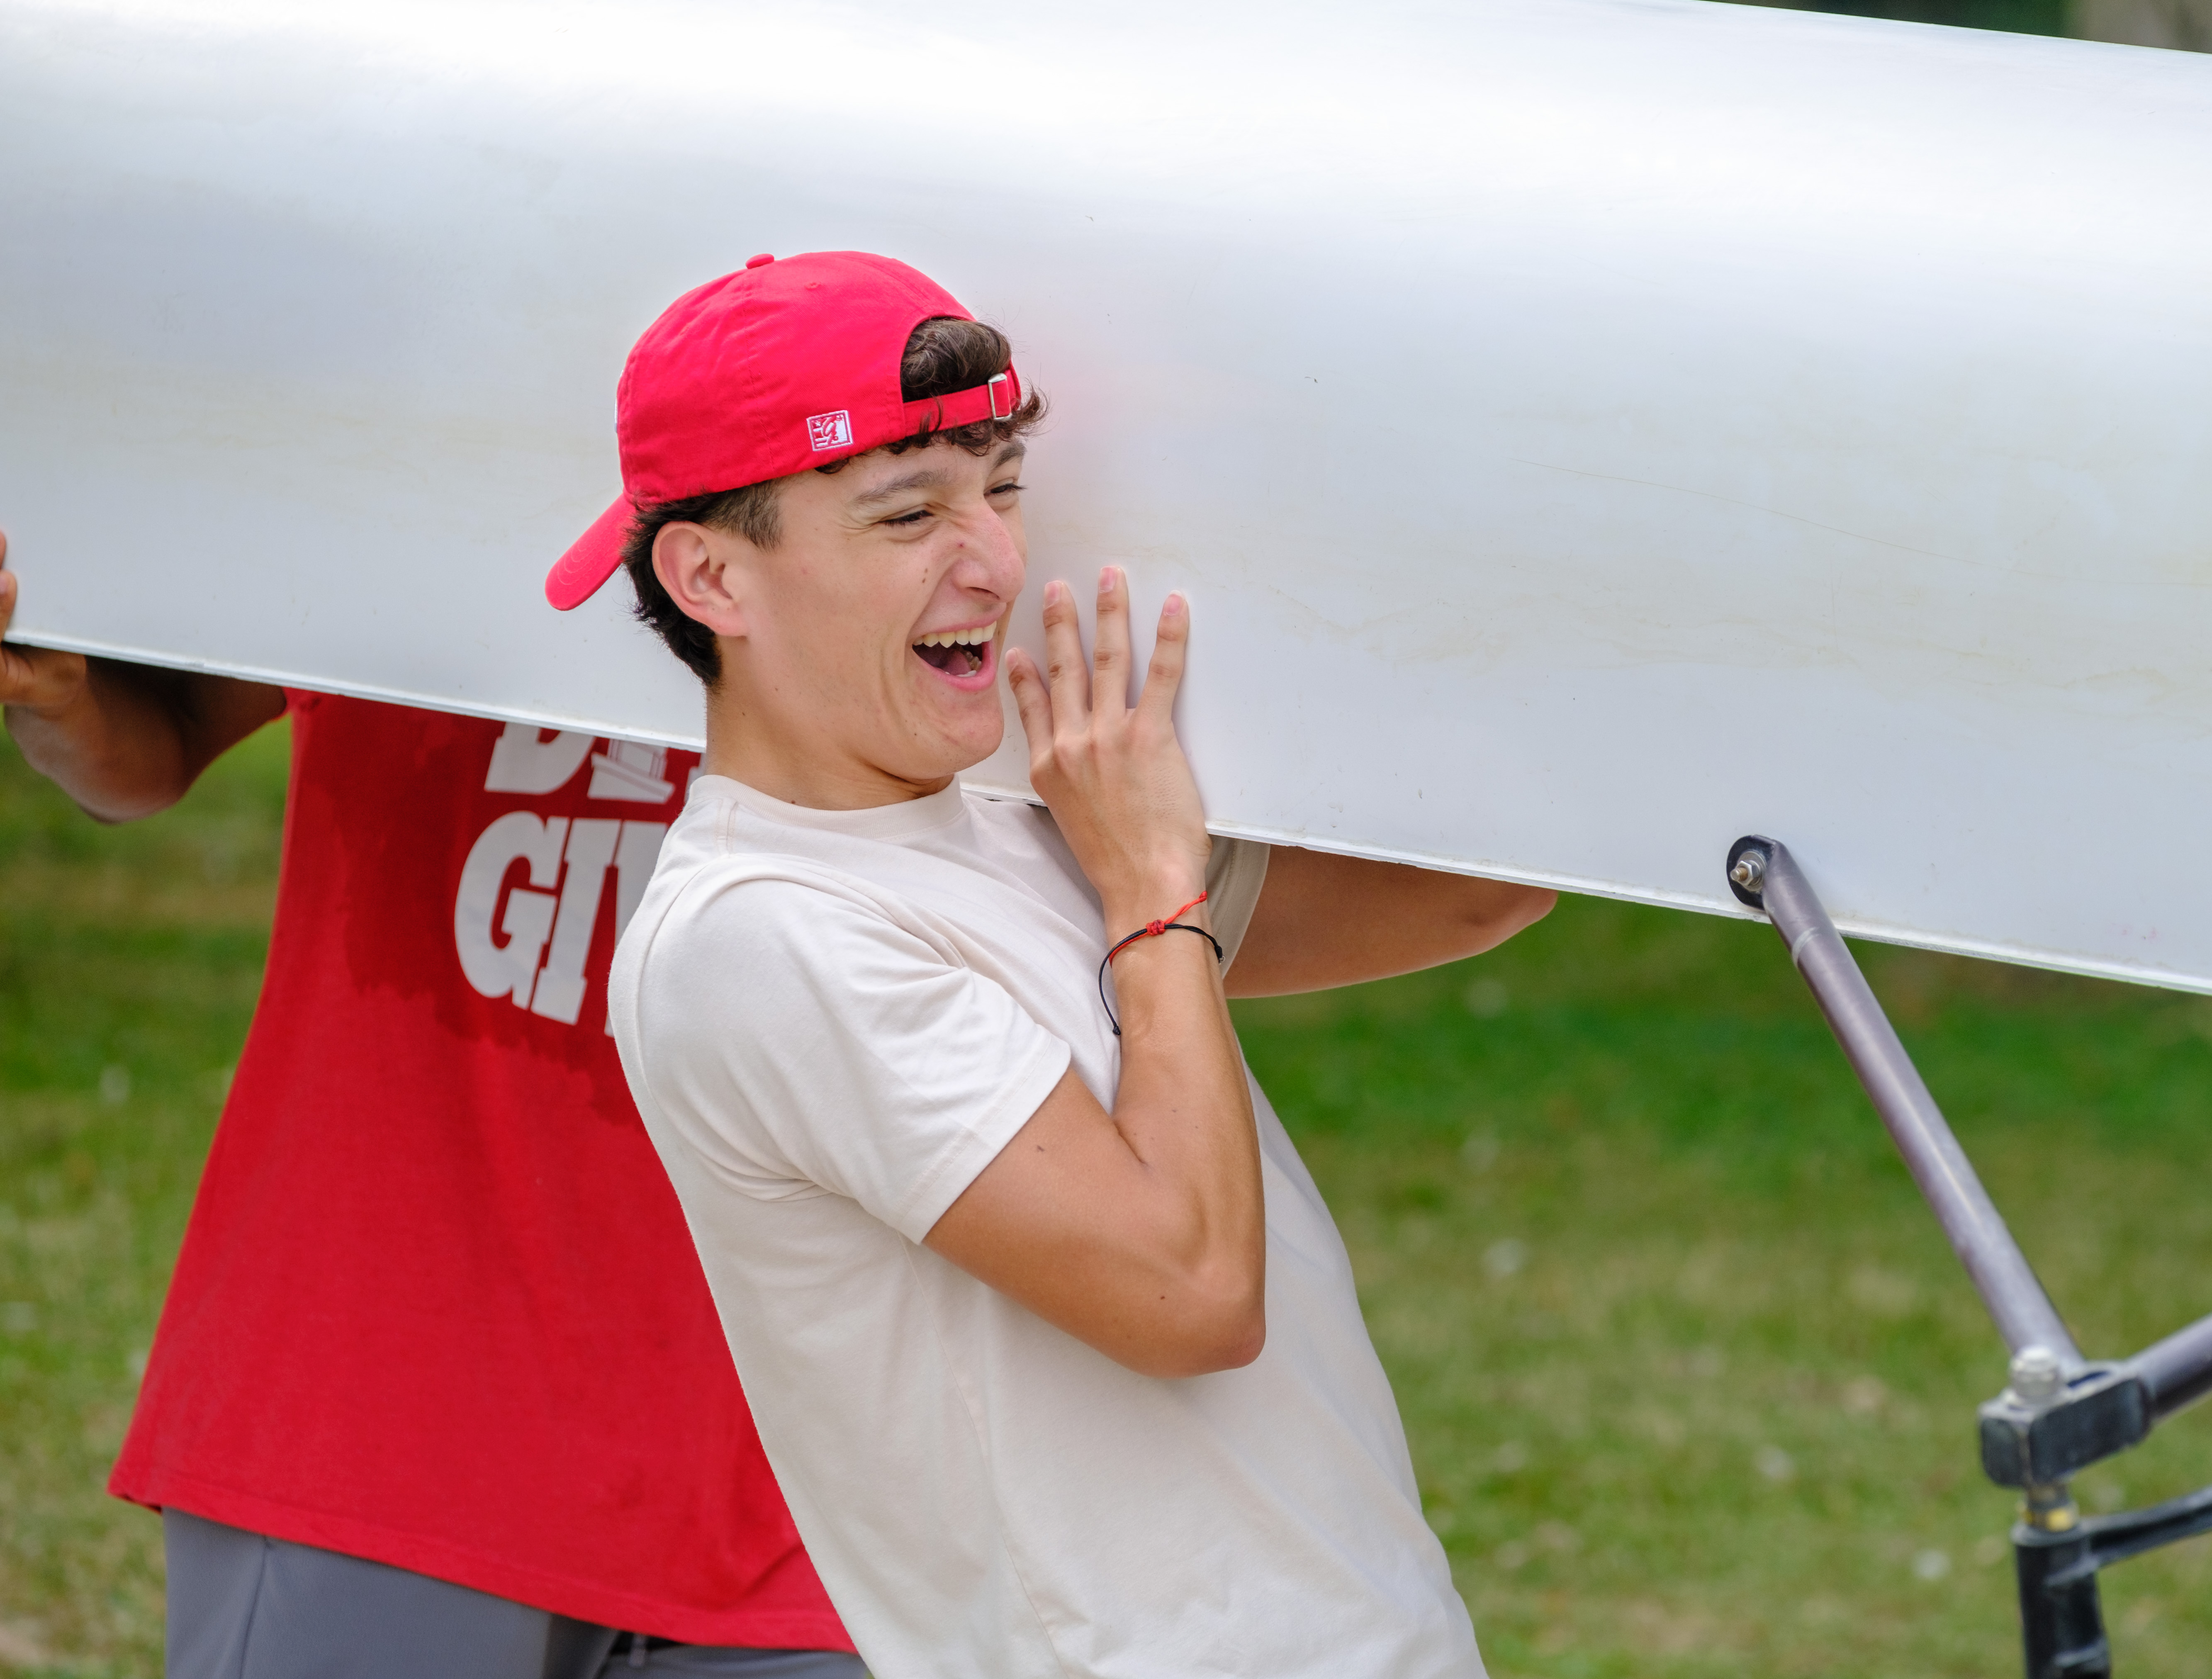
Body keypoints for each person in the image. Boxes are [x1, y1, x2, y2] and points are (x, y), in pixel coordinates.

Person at [547, 250, 1553, 1677]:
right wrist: (1153, 891)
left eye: (1003, 487)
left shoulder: (1016, 820)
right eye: (911, 515)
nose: (999, 562)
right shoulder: (757, 937)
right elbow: (1188, 1293)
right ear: (712, 575)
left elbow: (1474, 897)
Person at [0, 540, 865, 1677]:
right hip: (388, 1402)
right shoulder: (409, 418)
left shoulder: (986, 461)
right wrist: (56, 691)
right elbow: (158, 739)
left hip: (824, 1456)